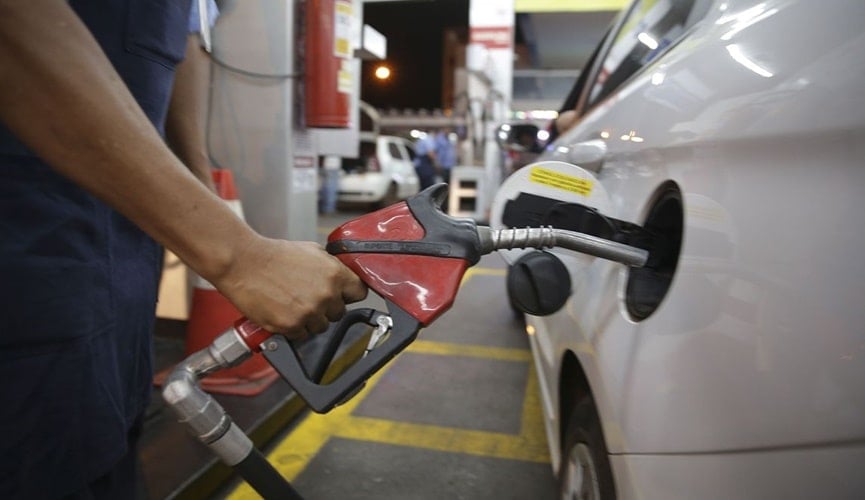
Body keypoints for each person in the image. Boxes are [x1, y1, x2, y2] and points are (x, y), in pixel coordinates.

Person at [0, 2, 367, 498]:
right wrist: (238, 255)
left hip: (122, 250)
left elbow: (184, 39)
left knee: (107, 445)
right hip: (26, 237)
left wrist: (201, 196)